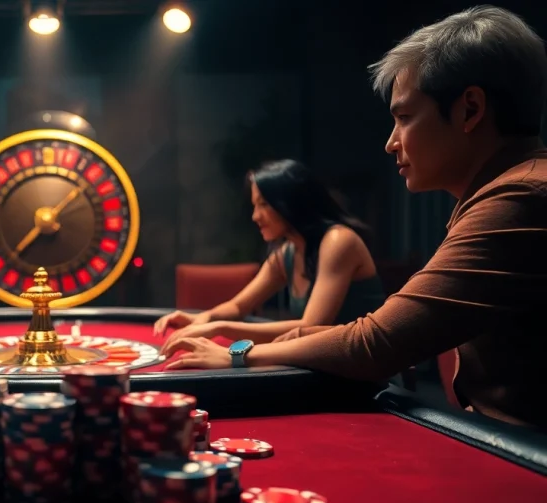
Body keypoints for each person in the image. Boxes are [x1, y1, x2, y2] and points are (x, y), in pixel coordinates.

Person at [162, 6, 547, 429]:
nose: (390, 143)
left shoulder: (520, 197)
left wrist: (235, 354)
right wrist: (224, 327)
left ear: (470, 109)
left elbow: (375, 343)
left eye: (403, 118)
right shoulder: (505, 190)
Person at [153, 159, 386, 345]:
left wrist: (219, 328)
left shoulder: (337, 241)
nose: (255, 216)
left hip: (365, 374)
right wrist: (203, 318)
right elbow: (238, 306)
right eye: (255, 205)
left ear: (290, 202)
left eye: (264, 204)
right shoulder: (286, 253)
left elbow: (310, 327)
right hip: (327, 366)